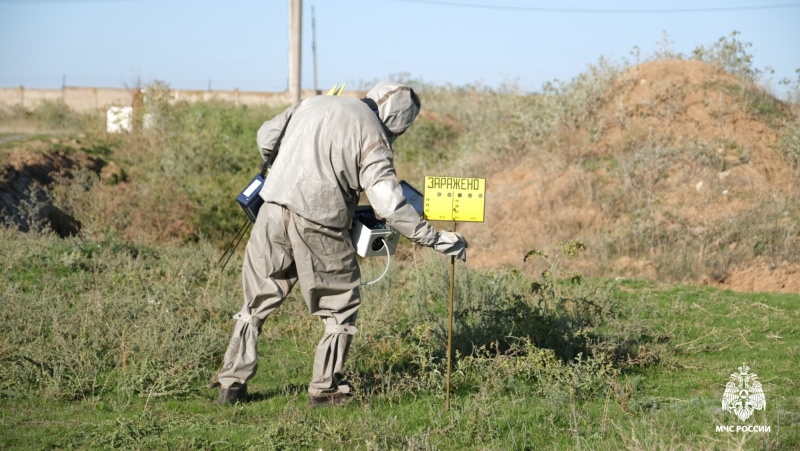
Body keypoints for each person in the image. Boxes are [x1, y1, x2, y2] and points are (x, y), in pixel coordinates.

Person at [208, 82, 468, 406]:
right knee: (340, 307)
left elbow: (266, 138)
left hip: (272, 210)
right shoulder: (372, 134)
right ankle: (325, 389)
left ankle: (231, 384)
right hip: (319, 219)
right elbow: (388, 204)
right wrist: (435, 239)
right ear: (398, 121)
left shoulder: (313, 103)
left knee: (254, 303)